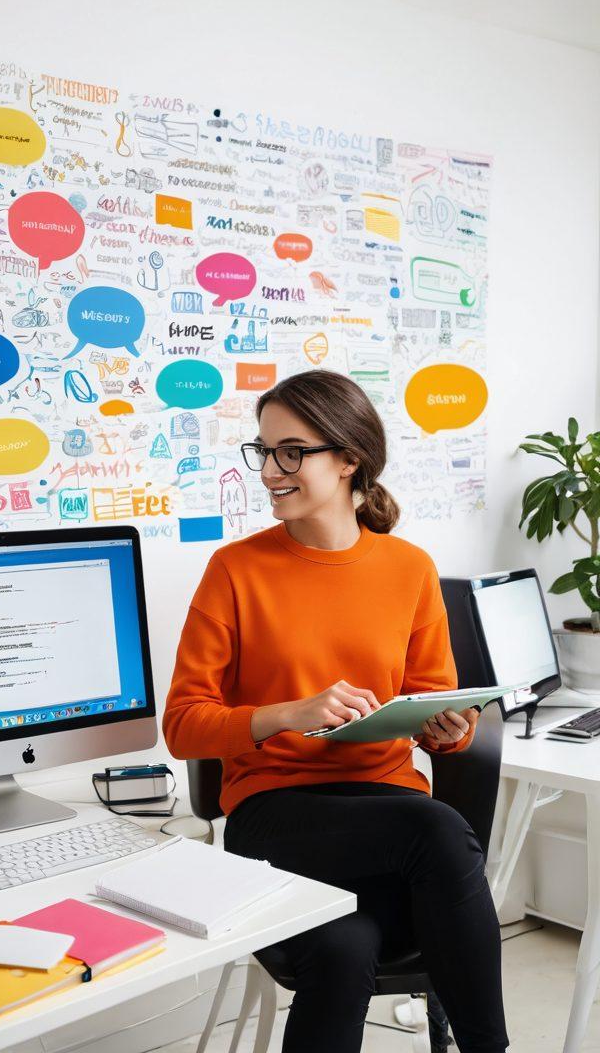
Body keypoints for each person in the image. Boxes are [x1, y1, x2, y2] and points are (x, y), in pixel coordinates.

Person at [163, 369, 508, 1052]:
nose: (269, 470)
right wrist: (285, 714)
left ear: (349, 458)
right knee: (438, 834)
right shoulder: (236, 570)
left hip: (386, 809)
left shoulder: (408, 568)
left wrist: (446, 729)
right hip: (276, 816)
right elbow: (183, 726)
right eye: (262, 451)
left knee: (347, 946)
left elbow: (436, 697)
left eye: (291, 452)